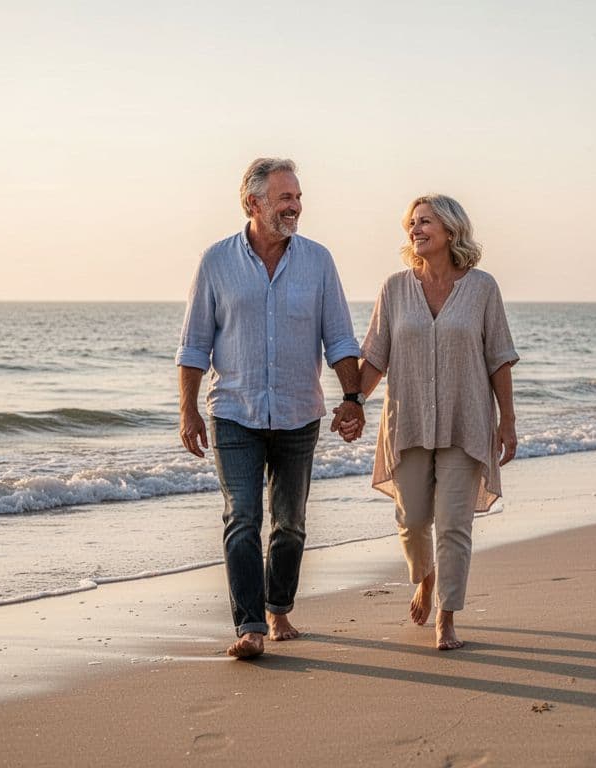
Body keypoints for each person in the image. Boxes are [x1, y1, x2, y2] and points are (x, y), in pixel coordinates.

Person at [176, 158, 364, 659]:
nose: (296, 206)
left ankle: (279, 607)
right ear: (252, 203)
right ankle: (251, 626)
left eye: (298, 197)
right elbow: (194, 344)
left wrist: (352, 399)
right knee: (241, 517)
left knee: (289, 523)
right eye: (285, 198)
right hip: (234, 411)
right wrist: (188, 410)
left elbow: (340, 337)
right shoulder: (216, 262)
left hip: (299, 412)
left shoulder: (318, 261)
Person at [339, 193, 518, 651]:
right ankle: (425, 578)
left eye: (425, 222)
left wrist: (508, 421)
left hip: (466, 422)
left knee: (454, 524)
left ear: (451, 231)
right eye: (412, 224)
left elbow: (498, 357)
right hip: (410, 421)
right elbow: (376, 356)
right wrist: (353, 401)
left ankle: (447, 617)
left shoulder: (482, 289)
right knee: (412, 518)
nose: (415, 230)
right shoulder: (395, 289)